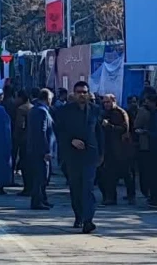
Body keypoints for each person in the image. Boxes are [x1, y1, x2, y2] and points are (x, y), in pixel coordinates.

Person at [55, 81, 104, 233]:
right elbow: (59, 131)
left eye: (84, 92)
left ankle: (88, 220)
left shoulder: (95, 110)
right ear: (74, 94)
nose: (82, 95)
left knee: (88, 188)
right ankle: (79, 215)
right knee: (76, 188)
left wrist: (101, 153)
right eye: (78, 92)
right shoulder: (65, 111)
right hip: (72, 156)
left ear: (88, 94)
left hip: (90, 155)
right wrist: (71, 141)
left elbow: (99, 133)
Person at [99, 94, 134, 206]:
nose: (106, 104)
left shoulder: (120, 113)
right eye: (104, 102)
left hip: (121, 149)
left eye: (108, 102)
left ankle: (131, 195)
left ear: (114, 101)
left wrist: (109, 125)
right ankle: (110, 197)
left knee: (126, 174)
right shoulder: (105, 113)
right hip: (109, 148)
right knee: (109, 175)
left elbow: (124, 128)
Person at [26, 89, 54, 210]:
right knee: (40, 176)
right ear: (47, 98)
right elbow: (41, 132)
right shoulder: (41, 111)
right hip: (39, 149)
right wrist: (46, 150)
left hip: (36, 148)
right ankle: (37, 200)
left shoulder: (36, 110)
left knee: (43, 175)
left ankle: (42, 198)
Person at [14, 89, 33, 196]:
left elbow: (20, 125)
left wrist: (16, 138)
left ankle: (27, 188)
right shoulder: (33, 107)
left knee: (25, 165)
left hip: (24, 140)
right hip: (33, 139)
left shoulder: (21, 109)